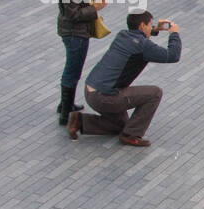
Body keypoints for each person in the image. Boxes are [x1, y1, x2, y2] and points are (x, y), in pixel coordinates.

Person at [68, 10, 182, 147]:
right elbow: (173, 56)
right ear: (141, 25)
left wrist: (155, 29)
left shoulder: (122, 35)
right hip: (105, 97)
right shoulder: (143, 45)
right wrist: (174, 34)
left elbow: (138, 37)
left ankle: (79, 121)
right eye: (149, 25)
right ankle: (131, 135)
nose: (150, 27)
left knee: (122, 124)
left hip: (90, 91)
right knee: (155, 93)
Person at [56, 0, 107, 125]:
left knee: (73, 69)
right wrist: (96, 8)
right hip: (75, 32)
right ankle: (65, 111)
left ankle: (65, 104)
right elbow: (73, 14)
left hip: (72, 31)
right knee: (72, 71)